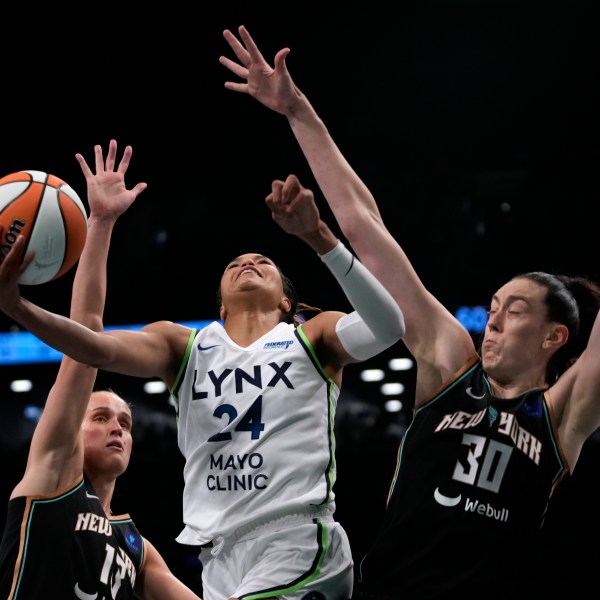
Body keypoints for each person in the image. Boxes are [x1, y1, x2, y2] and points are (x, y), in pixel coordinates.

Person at [219, 25, 600, 598]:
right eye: (493, 306)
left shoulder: (562, 414)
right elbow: (365, 227)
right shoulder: (452, 365)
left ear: (554, 336)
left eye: (514, 310)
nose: (492, 320)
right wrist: (298, 111)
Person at [0, 159, 405, 600]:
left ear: (287, 301)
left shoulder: (312, 337)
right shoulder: (184, 347)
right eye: (237, 262)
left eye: (263, 261)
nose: (249, 262)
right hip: (220, 558)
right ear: (221, 308)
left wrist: (317, 237)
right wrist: (22, 303)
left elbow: (388, 326)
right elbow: (92, 346)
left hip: (294, 540)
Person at [0, 140, 204, 599]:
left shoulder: (138, 549)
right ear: (72, 428)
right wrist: (101, 223)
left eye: (125, 423)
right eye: (101, 417)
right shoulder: (53, 478)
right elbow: (87, 337)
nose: (117, 428)